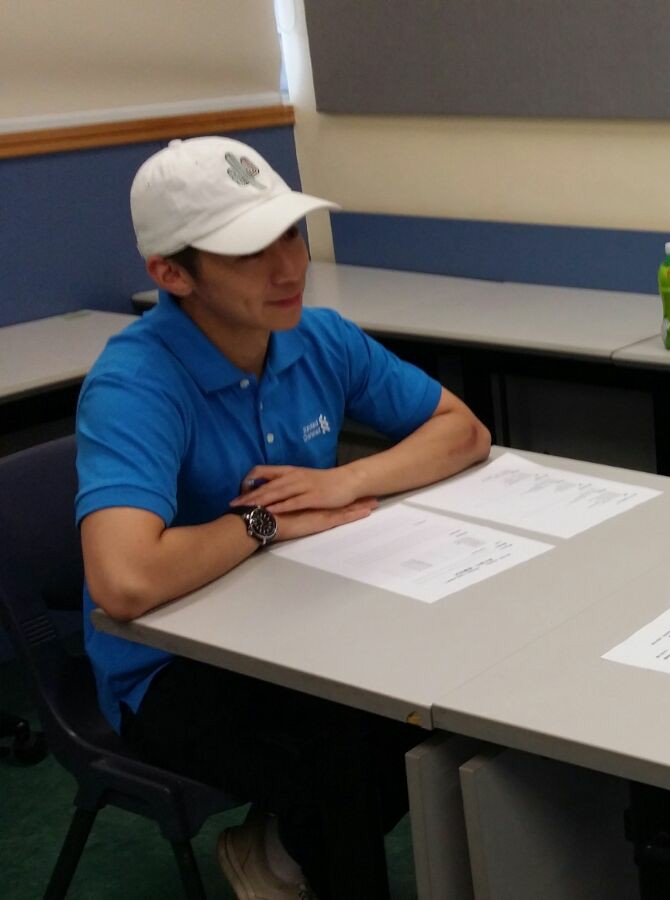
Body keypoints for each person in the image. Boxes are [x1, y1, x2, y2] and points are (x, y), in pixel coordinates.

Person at [76, 136, 492, 899]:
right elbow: (124, 581)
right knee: (339, 759)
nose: (289, 267)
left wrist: (342, 481)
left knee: (443, 697)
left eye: (291, 235)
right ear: (171, 274)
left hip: (302, 619)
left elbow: (463, 431)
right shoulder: (135, 382)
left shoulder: (316, 336)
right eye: (248, 252)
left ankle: (276, 850)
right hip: (166, 667)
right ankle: (301, 848)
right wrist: (260, 525)